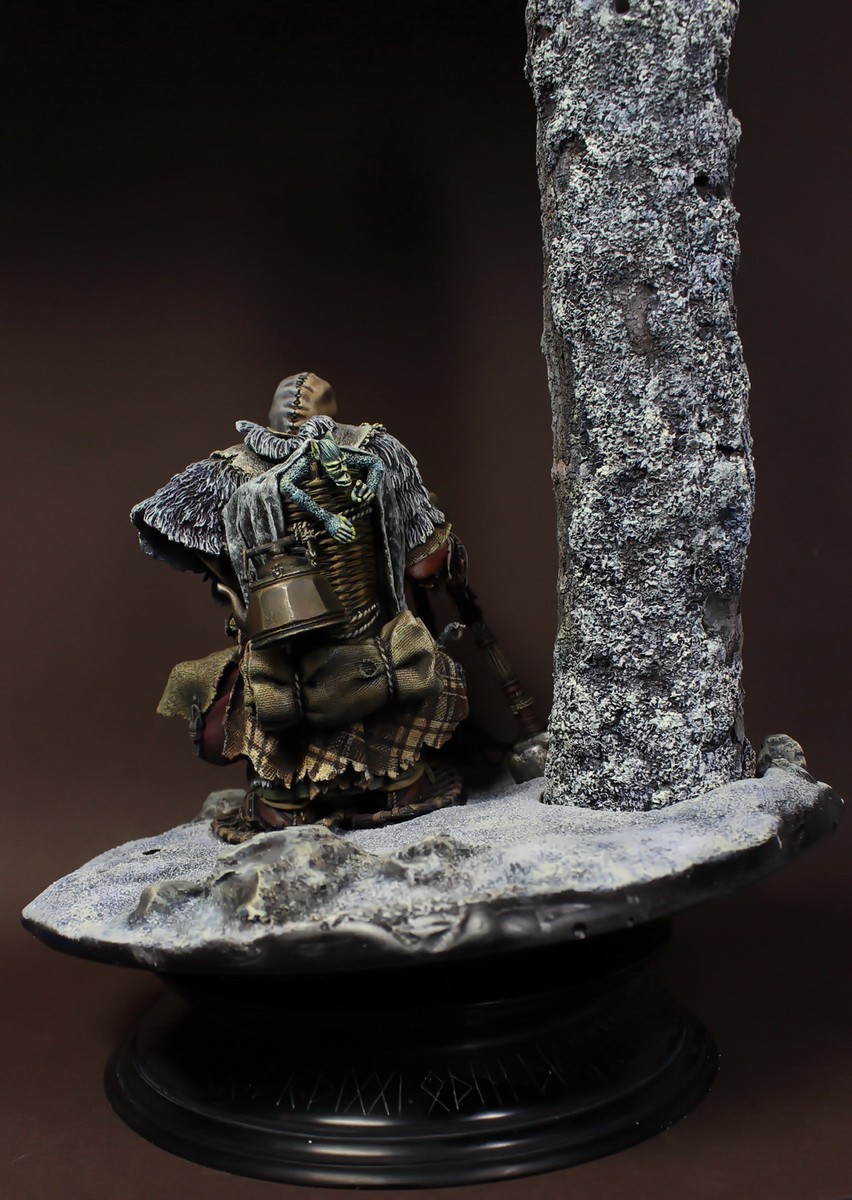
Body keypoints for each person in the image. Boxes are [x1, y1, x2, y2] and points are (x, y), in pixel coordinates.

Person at [132, 372, 468, 841]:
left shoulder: (225, 474)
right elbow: (424, 566)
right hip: (375, 642)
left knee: (266, 690)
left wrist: (231, 576)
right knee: (391, 675)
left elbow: (161, 521)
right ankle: (398, 785)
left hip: (283, 657)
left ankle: (283, 804)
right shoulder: (379, 455)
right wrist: (442, 545)